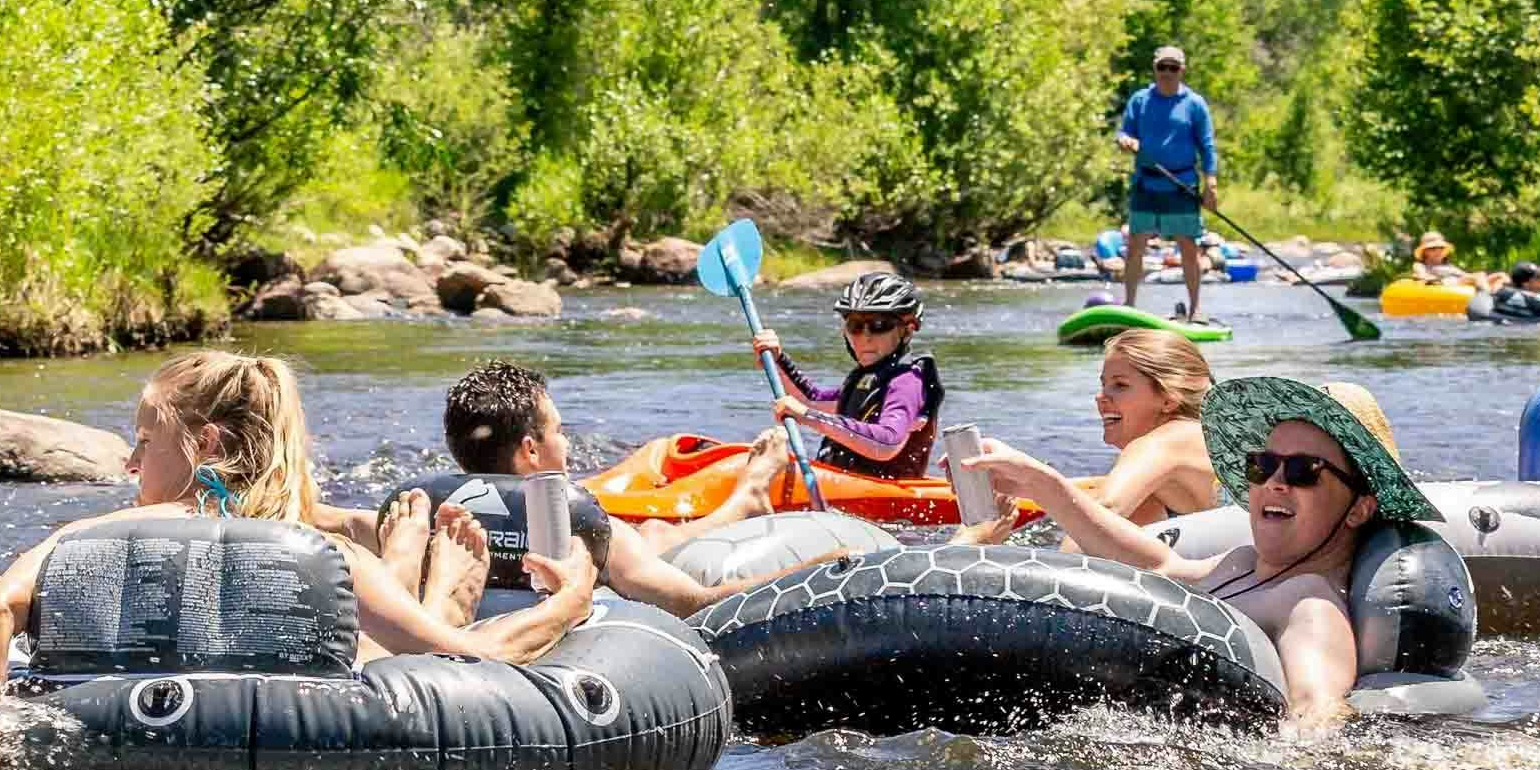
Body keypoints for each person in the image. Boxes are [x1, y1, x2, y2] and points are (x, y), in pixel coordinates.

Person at [0, 351, 593, 716]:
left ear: (204, 445)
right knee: (395, 641)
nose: (128, 464)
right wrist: (568, 604)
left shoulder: (82, 537)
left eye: (144, 444)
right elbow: (465, 662)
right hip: (283, 734)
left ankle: (414, 573)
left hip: (114, 745)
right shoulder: (314, 557)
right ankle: (431, 585)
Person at [951, 374, 1434, 733]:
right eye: (1262, 465)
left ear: (1358, 509)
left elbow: (1316, 706)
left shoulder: (1309, 602)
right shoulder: (1242, 564)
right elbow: (1156, 565)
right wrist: (1045, 485)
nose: (1274, 483)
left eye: (1304, 471)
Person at [385, 361, 843, 613]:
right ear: (530, 450)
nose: (566, 442)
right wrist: (818, 568)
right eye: (559, 431)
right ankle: (747, 498)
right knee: (643, 538)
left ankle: (743, 502)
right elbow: (691, 603)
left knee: (651, 535)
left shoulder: (419, 515)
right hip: (577, 629)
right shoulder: (581, 523)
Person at [961, 331, 1217, 538]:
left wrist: (1034, 478)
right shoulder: (1196, 437)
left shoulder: (1163, 441)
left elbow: (1106, 511)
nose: (1101, 397)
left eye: (1120, 385)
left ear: (1168, 400)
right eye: (1103, 384)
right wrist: (1021, 485)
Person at [749, 271, 944, 476]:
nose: (865, 337)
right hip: (845, 485)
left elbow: (887, 442)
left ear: (907, 330)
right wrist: (777, 359)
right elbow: (811, 400)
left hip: (882, 497)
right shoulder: (867, 379)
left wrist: (807, 416)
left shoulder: (907, 382)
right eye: (855, 326)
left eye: (879, 325)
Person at [1108, 47, 1219, 317]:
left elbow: (1206, 146)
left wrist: (1211, 183)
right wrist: (1126, 140)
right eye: (1162, 68)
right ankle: (1130, 306)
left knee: (1188, 248)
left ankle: (1195, 311)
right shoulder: (1140, 100)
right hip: (1147, 184)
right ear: (1155, 69)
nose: (1167, 73)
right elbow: (1125, 131)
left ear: (1182, 70)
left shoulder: (1194, 104)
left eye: (1173, 68)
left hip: (1181, 185)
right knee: (1135, 244)